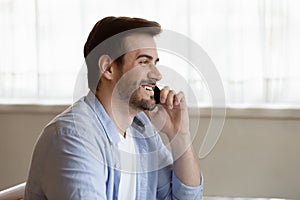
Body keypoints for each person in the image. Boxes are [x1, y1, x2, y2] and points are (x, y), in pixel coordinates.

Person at [24, 16, 203, 200]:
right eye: (143, 62)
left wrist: (180, 135)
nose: (157, 74)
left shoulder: (140, 129)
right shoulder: (72, 137)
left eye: (155, 63)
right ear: (108, 68)